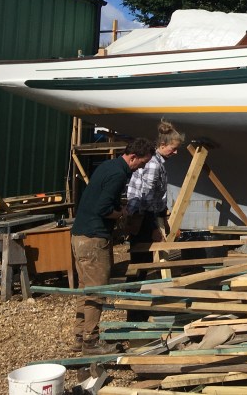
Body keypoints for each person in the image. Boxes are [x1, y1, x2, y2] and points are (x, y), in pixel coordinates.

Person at [70, 137, 155, 355]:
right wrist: (122, 214)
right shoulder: (118, 174)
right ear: (133, 157)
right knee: (97, 291)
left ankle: (80, 336)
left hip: (80, 235)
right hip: (94, 238)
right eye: (142, 163)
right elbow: (103, 208)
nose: (141, 168)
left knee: (85, 289)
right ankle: (91, 342)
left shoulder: (108, 166)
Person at [125, 119, 186, 276]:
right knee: (141, 258)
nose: (175, 152)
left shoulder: (157, 162)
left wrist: (163, 216)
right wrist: (153, 226)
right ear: (163, 145)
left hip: (147, 214)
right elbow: (147, 196)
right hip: (143, 216)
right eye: (173, 149)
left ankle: (137, 284)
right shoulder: (153, 164)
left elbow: (156, 196)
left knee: (142, 259)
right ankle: (134, 286)